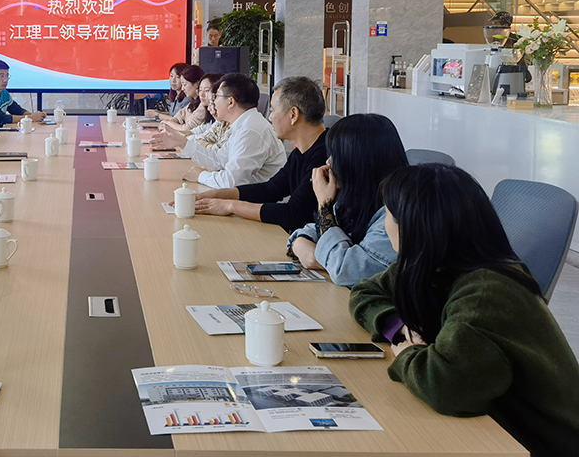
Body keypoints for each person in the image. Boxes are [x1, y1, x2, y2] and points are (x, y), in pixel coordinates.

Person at [350, 164, 579, 457]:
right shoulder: (435, 264)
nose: (385, 225)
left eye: (388, 215)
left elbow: (444, 385)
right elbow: (365, 293)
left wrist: (408, 352)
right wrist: (400, 328)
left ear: (413, 227)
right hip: (498, 426)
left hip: (534, 443)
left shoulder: (485, 292)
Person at [287, 113, 406, 287]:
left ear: (357, 161)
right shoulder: (359, 197)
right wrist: (300, 243)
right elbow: (312, 231)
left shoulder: (394, 216)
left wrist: (324, 205)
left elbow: (344, 269)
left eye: (335, 155)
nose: (328, 162)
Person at [196, 76, 327, 233]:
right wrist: (219, 194)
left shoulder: (325, 155)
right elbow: (271, 189)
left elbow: (294, 213)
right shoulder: (300, 152)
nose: (270, 117)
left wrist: (230, 205)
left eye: (272, 110)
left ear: (293, 114)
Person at [157, 73, 285, 189]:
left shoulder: (251, 131)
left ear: (230, 102)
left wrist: (201, 175)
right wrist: (182, 142)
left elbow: (231, 182)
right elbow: (219, 159)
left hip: (259, 202)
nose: (213, 101)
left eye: (216, 96)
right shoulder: (243, 124)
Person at [185, 72, 231, 149]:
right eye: (200, 90)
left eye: (206, 90)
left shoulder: (234, 126)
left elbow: (218, 150)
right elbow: (195, 137)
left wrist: (208, 146)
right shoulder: (220, 123)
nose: (202, 95)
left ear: (230, 102)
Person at [160, 65, 208, 132]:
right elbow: (177, 118)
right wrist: (168, 123)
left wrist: (167, 122)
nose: (182, 89)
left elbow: (186, 129)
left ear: (197, 84)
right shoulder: (191, 104)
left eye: (185, 85)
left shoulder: (202, 107)